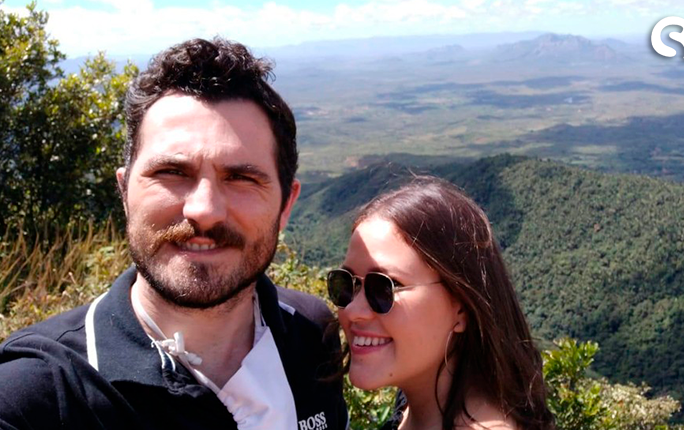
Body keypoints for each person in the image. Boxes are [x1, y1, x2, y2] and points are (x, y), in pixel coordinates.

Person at [0, 37, 347, 430]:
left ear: (286, 205)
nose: (204, 210)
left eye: (241, 178)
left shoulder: (311, 332)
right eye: (171, 172)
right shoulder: (36, 396)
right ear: (124, 193)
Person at [327, 176, 555, 430]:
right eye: (346, 283)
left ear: (461, 307)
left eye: (384, 288)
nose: (353, 310)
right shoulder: (415, 406)